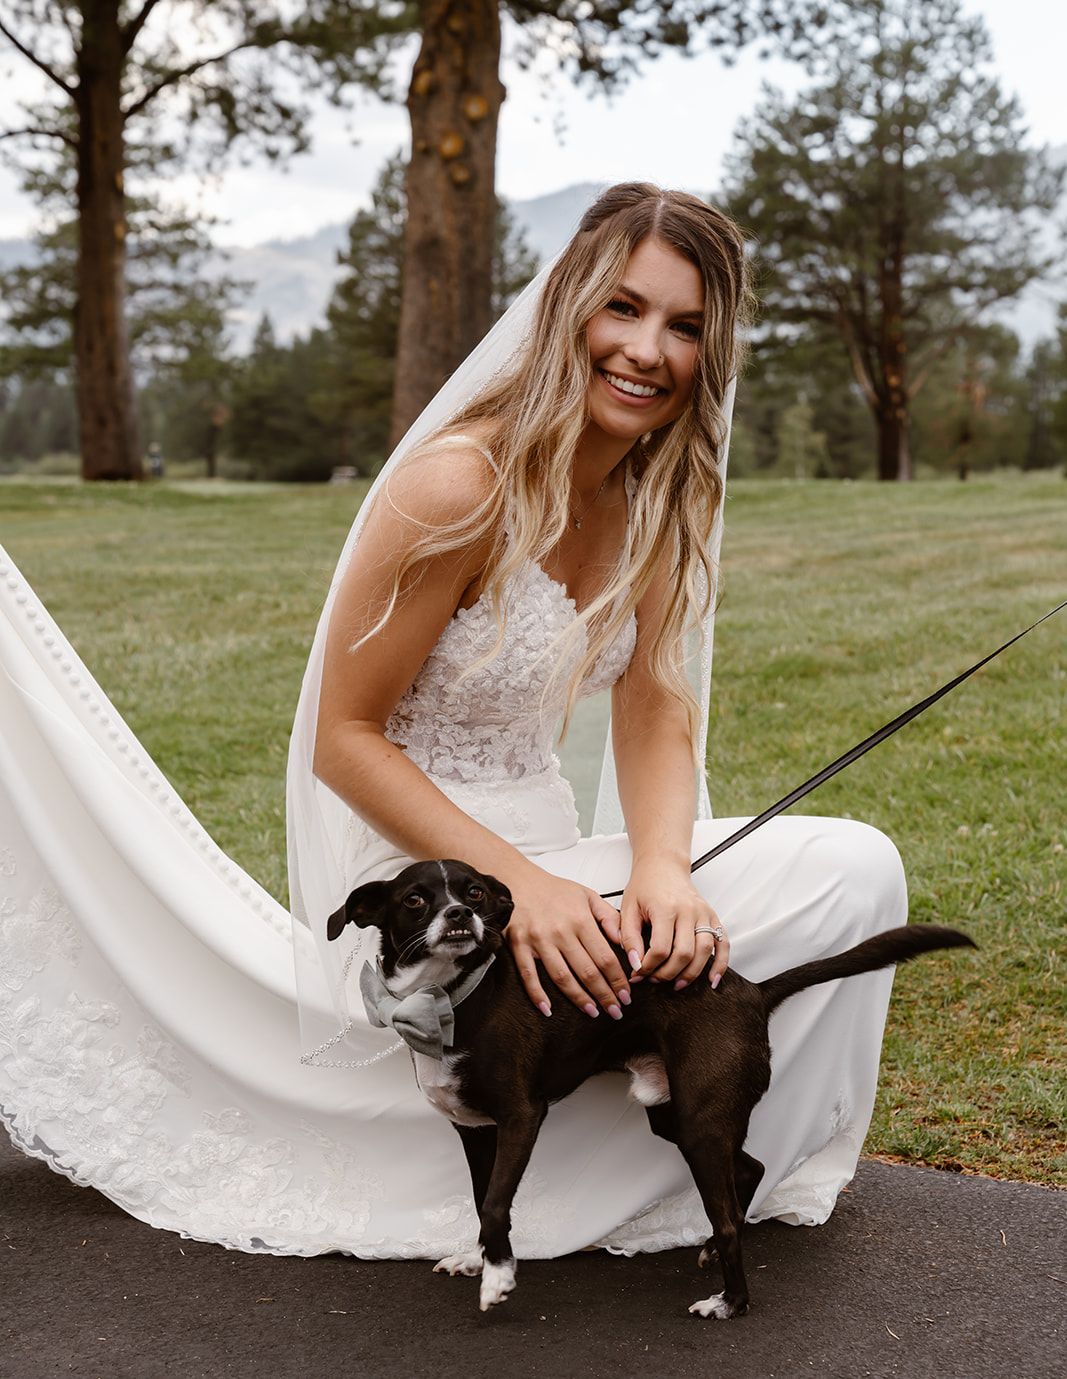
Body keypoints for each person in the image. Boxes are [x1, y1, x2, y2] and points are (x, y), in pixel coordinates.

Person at [0, 184, 905, 1260]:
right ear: (566, 304)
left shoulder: (656, 495)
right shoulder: (456, 487)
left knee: (855, 872)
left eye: (685, 327)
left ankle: (698, 1161)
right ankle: (570, 1176)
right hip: (434, 881)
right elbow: (343, 736)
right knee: (699, 915)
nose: (646, 350)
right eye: (622, 308)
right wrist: (519, 897)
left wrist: (662, 865)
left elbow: (656, 703)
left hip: (563, 860)